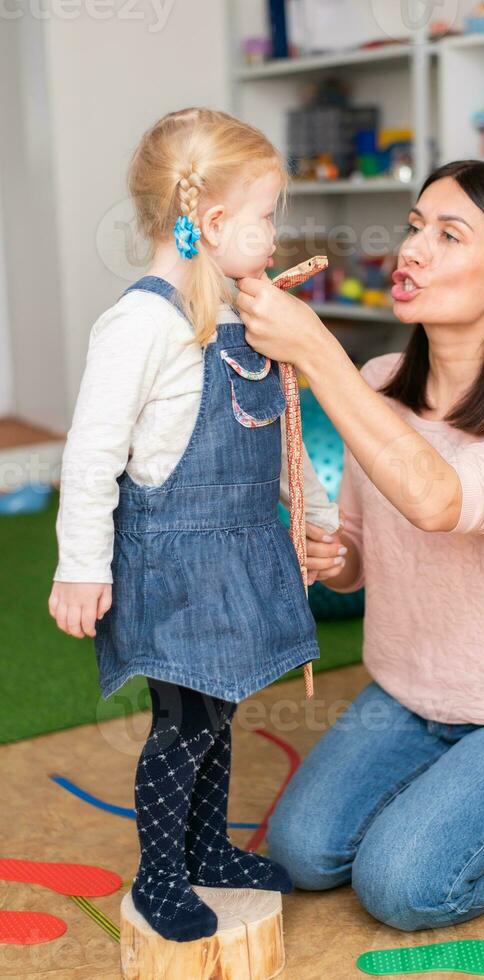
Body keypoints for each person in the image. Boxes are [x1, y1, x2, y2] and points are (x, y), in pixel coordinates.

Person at [235, 160, 484, 931]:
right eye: (416, 226)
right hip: (408, 699)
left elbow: (443, 501)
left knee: (401, 887)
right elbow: (357, 555)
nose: (411, 250)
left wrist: (318, 353)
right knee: (302, 856)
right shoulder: (379, 382)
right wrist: (330, 558)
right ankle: (465, 788)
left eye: (449, 236)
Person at [47, 108, 340, 943]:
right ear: (210, 223)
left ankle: (207, 847)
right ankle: (161, 873)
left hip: (241, 551)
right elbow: (91, 455)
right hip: (175, 564)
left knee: (219, 712)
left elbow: (287, 433)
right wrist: (81, 566)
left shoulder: (247, 316)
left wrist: (314, 518)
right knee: (185, 722)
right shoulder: (142, 324)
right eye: (266, 217)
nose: (277, 236)